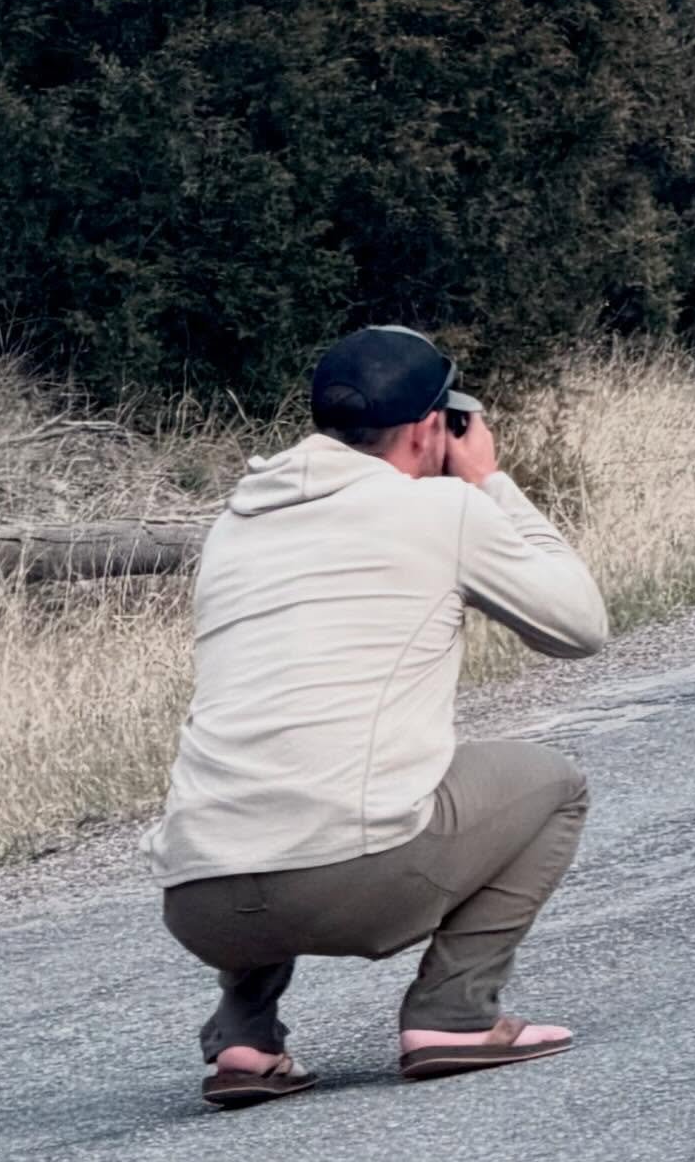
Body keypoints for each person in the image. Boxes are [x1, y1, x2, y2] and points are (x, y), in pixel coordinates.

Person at [151, 325, 609, 1109]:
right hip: (352, 881)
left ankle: (245, 1036)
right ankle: (452, 1015)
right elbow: (579, 627)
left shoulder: (237, 525)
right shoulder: (439, 511)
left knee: (268, 764)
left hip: (198, 899)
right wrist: (491, 484)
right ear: (433, 426)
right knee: (556, 785)